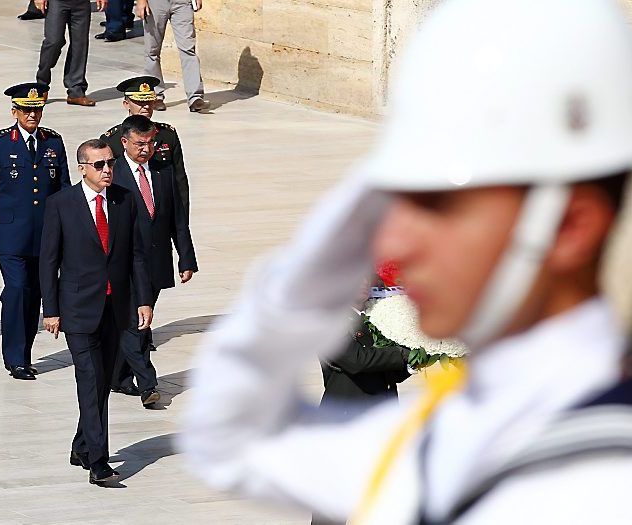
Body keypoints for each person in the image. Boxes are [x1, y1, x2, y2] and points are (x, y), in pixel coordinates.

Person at [179, 0, 632, 523]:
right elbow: (224, 436)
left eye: (440, 207)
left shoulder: (604, 477)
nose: (396, 241)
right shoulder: (447, 439)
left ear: (569, 225)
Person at [40, 139, 153, 485]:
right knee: (89, 379)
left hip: (114, 308)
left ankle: (81, 445)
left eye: (110, 163)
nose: (107, 170)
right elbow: (49, 261)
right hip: (76, 309)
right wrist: (51, 310)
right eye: (100, 164)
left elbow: (135, 254)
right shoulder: (61, 204)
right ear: (83, 168)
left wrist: (143, 300)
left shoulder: (124, 200)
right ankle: (99, 462)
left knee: (101, 381)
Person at [0, 83, 71, 380]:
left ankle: (25, 353)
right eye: (27, 110)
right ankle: (14, 358)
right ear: (14, 111)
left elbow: (63, 189)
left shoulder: (53, 142)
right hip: (11, 237)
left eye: (37, 109)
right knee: (17, 291)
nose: (33, 114)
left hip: (45, 236)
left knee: (35, 296)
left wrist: (70, 231)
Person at [110, 115, 197, 406]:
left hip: (155, 261)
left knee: (140, 321)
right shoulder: (112, 174)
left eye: (150, 143)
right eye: (139, 144)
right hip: (123, 265)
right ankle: (148, 384)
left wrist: (186, 258)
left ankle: (119, 378)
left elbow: (176, 219)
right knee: (135, 324)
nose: (145, 149)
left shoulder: (162, 171)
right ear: (124, 143)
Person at [101, 76, 190, 218]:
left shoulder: (168, 135)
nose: (146, 106)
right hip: (128, 212)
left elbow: (180, 181)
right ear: (126, 104)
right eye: (139, 102)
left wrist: (182, 218)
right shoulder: (112, 140)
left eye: (149, 101)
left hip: (161, 212)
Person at [136, 0, 207, 112]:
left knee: (188, 49)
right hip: (155, 4)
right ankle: (156, 96)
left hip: (182, 3)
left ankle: (195, 97)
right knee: (152, 51)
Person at [34, 0, 107, 107]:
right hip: (57, 2)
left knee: (80, 44)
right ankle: (42, 83)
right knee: (54, 41)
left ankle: (76, 91)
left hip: (82, 3)